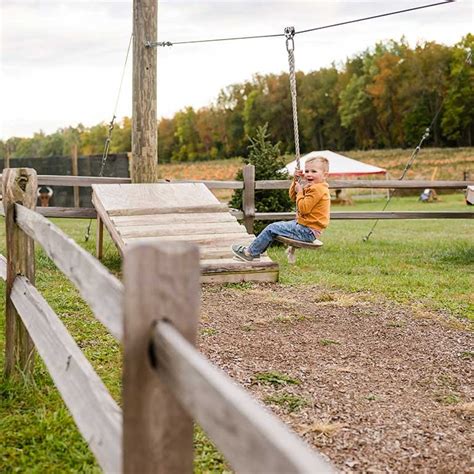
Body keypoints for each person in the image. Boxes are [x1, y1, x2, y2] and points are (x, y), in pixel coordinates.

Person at [232, 156, 331, 261]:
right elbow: (293, 197)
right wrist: (295, 181)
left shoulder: (317, 189)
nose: (309, 174)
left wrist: (300, 192)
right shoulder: (313, 187)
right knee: (273, 229)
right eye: (306, 171)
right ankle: (254, 252)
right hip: (305, 227)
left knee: (272, 228)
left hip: (307, 231)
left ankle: (250, 253)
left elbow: (304, 209)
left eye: (313, 171)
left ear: (325, 175)